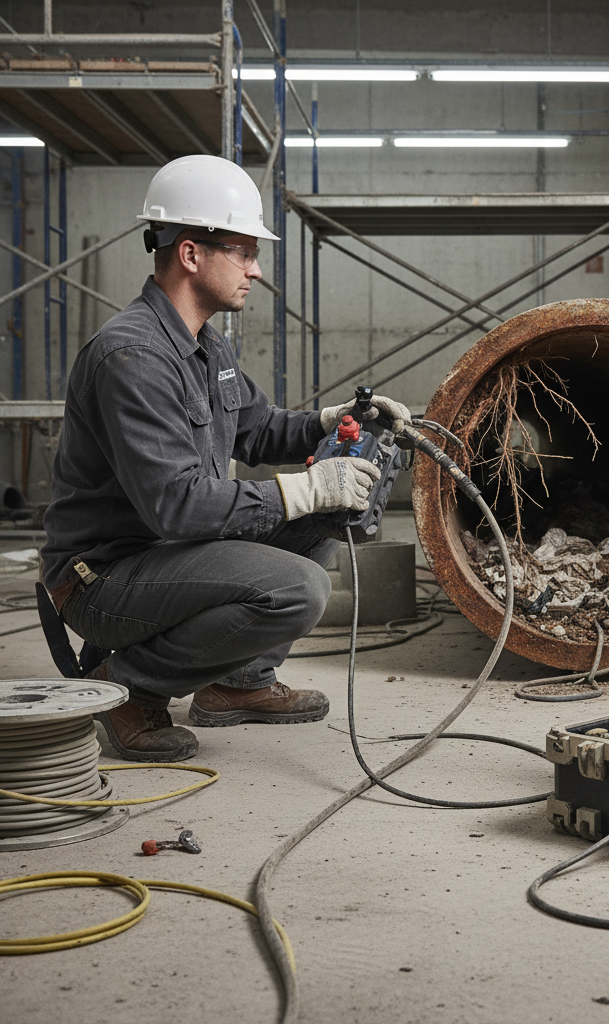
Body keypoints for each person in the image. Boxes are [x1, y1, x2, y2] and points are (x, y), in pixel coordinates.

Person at [41, 154, 409, 763]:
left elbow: (259, 428)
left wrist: (331, 420)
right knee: (299, 587)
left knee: (323, 520)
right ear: (191, 254)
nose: (256, 271)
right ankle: (129, 688)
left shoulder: (204, 343)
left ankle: (235, 684)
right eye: (243, 252)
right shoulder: (131, 358)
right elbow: (176, 508)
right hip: (102, 579)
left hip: (163, 559)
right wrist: (304, 488)